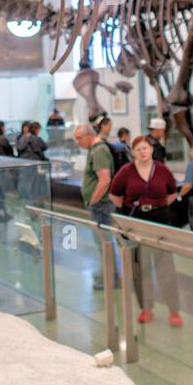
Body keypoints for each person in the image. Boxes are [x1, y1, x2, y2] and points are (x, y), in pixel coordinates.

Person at [110, 135, 183, 327]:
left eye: (145, 148)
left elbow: (172, 192)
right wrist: (131, 208)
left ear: (151, 149)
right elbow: (114, 194)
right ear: (133, 152)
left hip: (159, 222)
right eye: (138, 149)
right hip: (136, 224)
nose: (142, 152)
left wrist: (157, 207)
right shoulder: (126, 171)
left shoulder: (162, 170)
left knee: (165, 267)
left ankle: (174, 310)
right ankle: (146, 308)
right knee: (140, 268)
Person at [74, 123, 118, 290]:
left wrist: (93, 201)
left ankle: (110, 279)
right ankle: (109, 275)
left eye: (79, 138)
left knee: (104, 242)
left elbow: (105, 179)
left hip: (101, 205)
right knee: (103, 242)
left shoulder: (99, 151)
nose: (78, 142)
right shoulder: (93, 150)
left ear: (88, 135)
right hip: (99, 204)